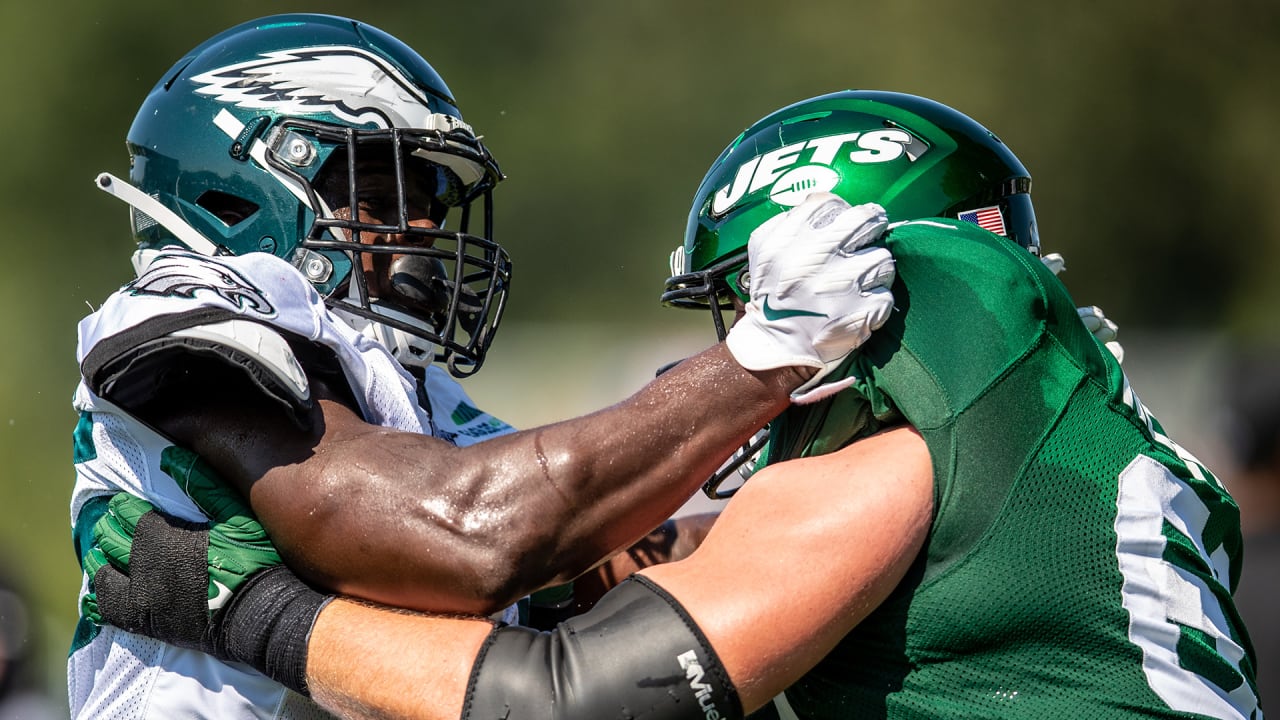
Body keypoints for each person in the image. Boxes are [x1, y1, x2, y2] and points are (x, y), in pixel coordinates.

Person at [80, 90, 1264, 720]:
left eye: (738, 303)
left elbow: (573, 705)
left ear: (850, 274)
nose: (423, 239)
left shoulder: (895, 463)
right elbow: (643, 552)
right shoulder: (1050, 434)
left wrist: (240, 610)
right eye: (390, 201)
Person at [67, 14, 901, 720]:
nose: (423, 229)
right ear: (245, 190)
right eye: (383, 193)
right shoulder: (184, 314)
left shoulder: (408, 390)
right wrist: (762, 356)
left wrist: (870, 489)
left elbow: (594, 551)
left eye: (430, 200)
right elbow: (472, 533)